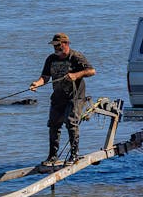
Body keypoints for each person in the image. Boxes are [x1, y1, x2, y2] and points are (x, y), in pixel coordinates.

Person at [28, 32, 96, 165]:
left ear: (66, 44)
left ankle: (74, 155)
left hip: (75, 96)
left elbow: (92, 71)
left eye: (58, 45)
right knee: (53, 124)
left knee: (71, 122)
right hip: (58, 96)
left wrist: (76, 75)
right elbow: (45, 77)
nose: (56, 48)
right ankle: (52, 156)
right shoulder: (51, 59)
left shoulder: (75, 57)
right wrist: (36, 83)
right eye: (54, 46)